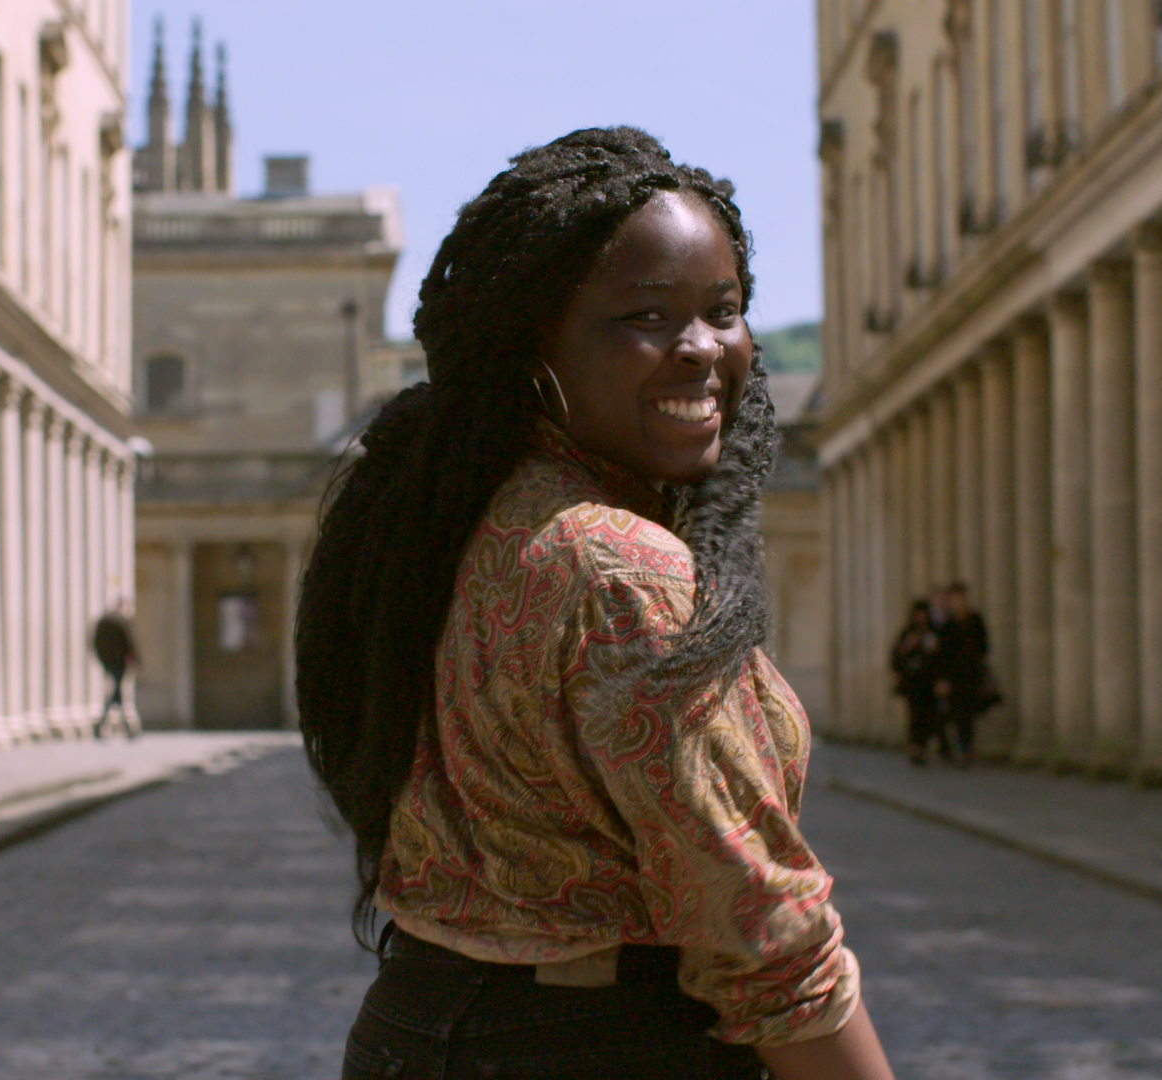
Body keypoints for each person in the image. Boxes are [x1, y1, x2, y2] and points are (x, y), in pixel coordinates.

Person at [295, 128, 894, 1080]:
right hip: (602, 1044)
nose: (701, 349)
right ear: (534, 341)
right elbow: (764, 936)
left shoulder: (449, 518)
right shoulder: (622, 569)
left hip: (414, 1030)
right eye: (645, 316)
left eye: (724, 311)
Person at [933, 582, 991, 766]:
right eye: (955, 598)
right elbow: (942, 654)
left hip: (971, 674)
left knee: (968, 713)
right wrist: (943, 679)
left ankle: (966, 749)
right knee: (957, 713)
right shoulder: (948, 624)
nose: (958, 601)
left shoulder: (974, 619)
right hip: (954, 677)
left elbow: (983, 645)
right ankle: (960, 749)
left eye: (961, 597)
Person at [890, 600, 942, 765]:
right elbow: (896, 655)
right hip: (912, 683)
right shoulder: (908, 633)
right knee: (914, 716)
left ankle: (923, 747)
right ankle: (915, 748)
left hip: (928, 682)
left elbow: (940, 657)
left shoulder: (932, 632)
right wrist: (908, 647)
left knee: (929, 716)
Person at [91, 609, 139, 740]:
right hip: (119, 663)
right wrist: (136, 660)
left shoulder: (103, 625)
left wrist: (103, 661)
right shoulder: (119, 623)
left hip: (109, 663)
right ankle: (126, 726)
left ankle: (104, 724)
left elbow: (95, 644)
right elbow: (128, 643)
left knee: (116, 693)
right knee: (117, 693)